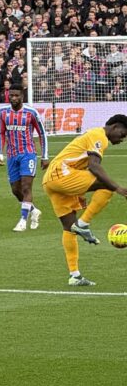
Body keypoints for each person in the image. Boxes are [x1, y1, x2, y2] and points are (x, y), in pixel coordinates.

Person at [41, 114, 127, 287]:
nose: (123, 139)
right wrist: (119, 189)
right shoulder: (99, 136)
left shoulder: (94, 135)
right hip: (61, 175)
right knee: (107, 185)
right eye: (124, 134)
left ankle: (75, 275)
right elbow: (94, 166)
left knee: (68, 228)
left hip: (50, 180)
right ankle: (84, 223)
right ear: (116, 126)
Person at [0, 87, 48, 231]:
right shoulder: (3, 112)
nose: (13, 98)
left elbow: (42, 134)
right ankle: (34, 211)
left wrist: (44, 156)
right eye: (11, 95)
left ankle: (23, 221)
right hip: (12, 155)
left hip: (28, 154)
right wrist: (0, 152)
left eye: (16, 95)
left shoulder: (31, 113)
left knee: (26, 187)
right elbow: (0, 133)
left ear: (22, 96)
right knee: (15, 190)